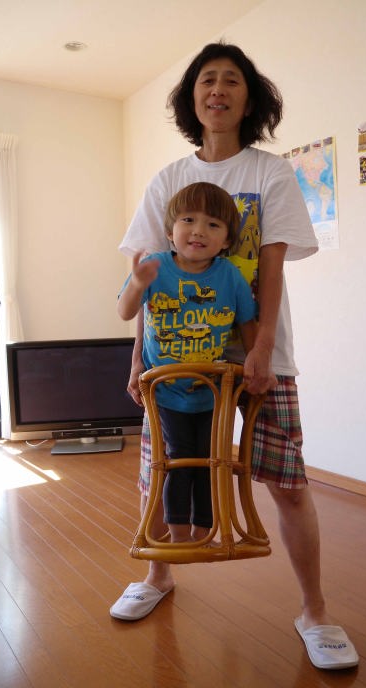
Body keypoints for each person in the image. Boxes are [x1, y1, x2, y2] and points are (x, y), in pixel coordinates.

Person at [110, 41, 359, 671]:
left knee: (288, 481)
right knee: (161, 469)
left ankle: (315, 611)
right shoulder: (167, 179)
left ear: (250, 100)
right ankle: (158, 576)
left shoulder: (270, 173)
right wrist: (138, 360)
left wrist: (263, 349)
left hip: (256, 357)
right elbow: (147, 279)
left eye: (231, 81)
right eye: (206, 81)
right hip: (173, 361)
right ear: (191, 98)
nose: (217, 90)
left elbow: (271, 268)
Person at [117, 181, 258, 543]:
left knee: (212, 460)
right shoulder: (154, 267)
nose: (198, 231)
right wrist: (136, 284)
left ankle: (204, 530)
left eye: (213, 224)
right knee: (177, 458)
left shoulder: (229, 275)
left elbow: (248, 323)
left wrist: (258, 362)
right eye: (189, 220)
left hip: (212, 392)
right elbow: (125, 312)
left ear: (226, 240)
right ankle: (179, 533)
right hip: (166, 392)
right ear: (170, 231)